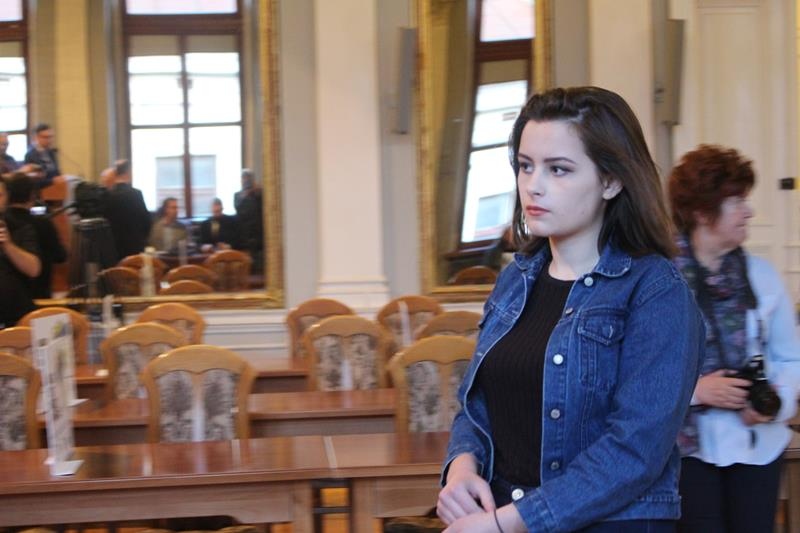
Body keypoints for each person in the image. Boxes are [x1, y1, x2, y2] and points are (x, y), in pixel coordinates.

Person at [436, 86, 705, 533]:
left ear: (610, 181)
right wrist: (462, 466)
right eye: (525, 166)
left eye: (558, 169)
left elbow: (635, 450)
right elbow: (477, 403)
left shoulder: (656, 291)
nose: (533, 185)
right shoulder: (516, 279)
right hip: (502, 514)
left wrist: (508, 523)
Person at [667, 145, 800, 533]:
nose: (749, 212)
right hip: (685, 452)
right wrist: (697, 390)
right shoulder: (659, 280)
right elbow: (633, 372)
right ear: (701, 212)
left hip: (758, 444)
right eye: (737, 201)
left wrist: (773, 404)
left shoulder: (762, 276)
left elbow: (791, 358)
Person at [4, 173, 66, 299]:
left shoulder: (4, 222)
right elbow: (60, 256)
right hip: (40, 292)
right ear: (32, 195)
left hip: (8, 295)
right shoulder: (42, 223)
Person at [0, 177, 41, 327]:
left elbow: (34, 269)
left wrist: (8, 246)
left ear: (7, 198)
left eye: (0, 195)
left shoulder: (20, 227)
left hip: (17, 316)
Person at [102, 160, 152, 260]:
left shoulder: (107, 195)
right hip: (135, 247)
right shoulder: (136, 194)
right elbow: (147, 221)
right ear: (128, 172)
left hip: (114, 248)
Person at [234, 168, 263, 271]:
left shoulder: (258, 194)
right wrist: (246, 194)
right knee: (246, 264)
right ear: (241, 180)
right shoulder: (237, 195)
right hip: (244, 234)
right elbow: (238, 208)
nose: (246, 181)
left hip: (258, 234)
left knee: (258, 265)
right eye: (244, 178)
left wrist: (257, 191)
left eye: (248, 178)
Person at [24, 123, 61, 187]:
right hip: (42, 190)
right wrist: (52, 181)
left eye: (51, 137)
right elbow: (33, 180)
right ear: (36, 137)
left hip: (56, 187)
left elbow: (57, 172)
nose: (49, 140)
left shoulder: (51, 152)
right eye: (46, 137)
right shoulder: (30, 155)